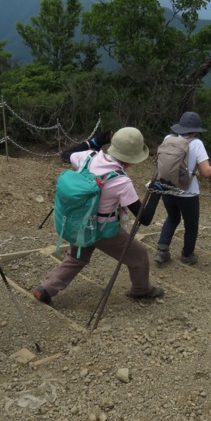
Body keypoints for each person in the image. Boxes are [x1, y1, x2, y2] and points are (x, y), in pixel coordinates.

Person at [32, 127, 164, 304]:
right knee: (139, 255)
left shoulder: (89, 156)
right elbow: (144, 218)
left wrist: (93, 142)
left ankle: (46, 288)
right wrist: (155, 194)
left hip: (79, 222)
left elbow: (65, 154)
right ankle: (141, 290)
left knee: (76, 257)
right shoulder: (121, 181)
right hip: (102, 230)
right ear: (132, 160)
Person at [154, 112, 211, 266]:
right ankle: (187, 255)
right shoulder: (196, 144)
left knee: (172, 218)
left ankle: (162, 251)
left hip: (167, 187)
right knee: (191, 224)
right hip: (187, 193)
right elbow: (206, 172)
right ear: (195, 130)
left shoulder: (168, 139)